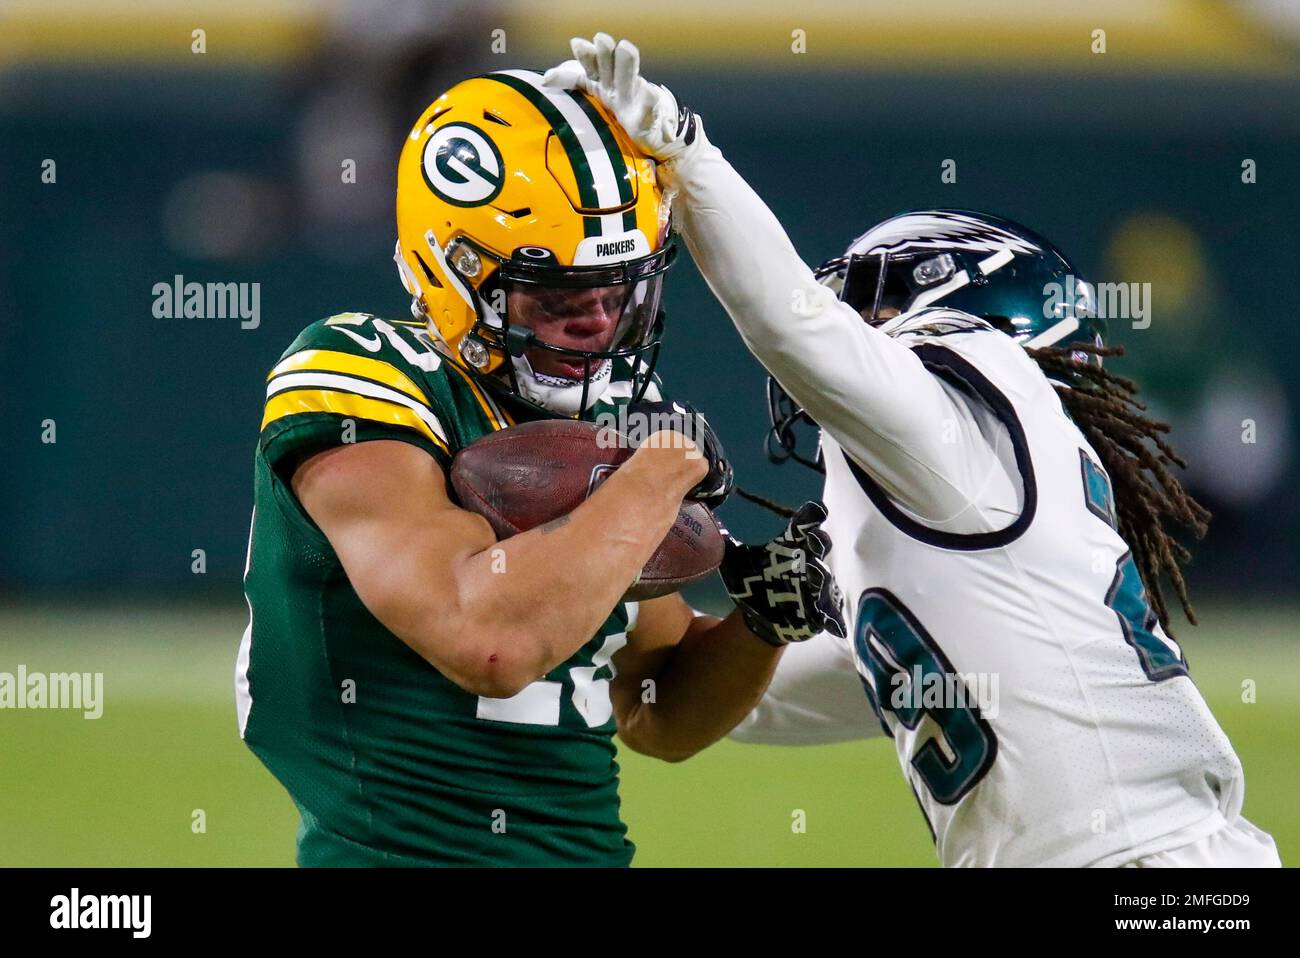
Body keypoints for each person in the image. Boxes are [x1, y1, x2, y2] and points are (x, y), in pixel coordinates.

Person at [545, 34, 1281, 867]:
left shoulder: (976, 387)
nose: (855, 330)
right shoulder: (970, 523)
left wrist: (688, 157)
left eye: (866, 305)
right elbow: (748, 705)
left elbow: (794, 327)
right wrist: (727, 621)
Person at [234, 67, 844, 867]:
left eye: (618, 290)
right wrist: (656, 475)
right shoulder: (363, 371)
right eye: (561, 295)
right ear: (455, 275)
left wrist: (762, 626)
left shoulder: (617, 412)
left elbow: (655, 707)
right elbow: (489, 642)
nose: (597, 321)